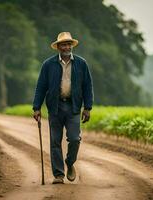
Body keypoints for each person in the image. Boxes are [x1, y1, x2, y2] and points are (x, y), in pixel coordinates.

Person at [32, 32, 93, 184]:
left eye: (68, 44)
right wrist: (36, 107)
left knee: (74, 139)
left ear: (71, 46)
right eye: (63, 44)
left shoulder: (81, 63)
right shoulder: (48, 64)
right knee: (55, 142)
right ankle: (58, 175)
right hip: (55, 107)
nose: (66, 47)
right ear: (58, 47)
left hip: (73, 106)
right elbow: (41, 86)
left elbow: (87, 86)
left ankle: (70, 162)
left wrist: (88, 107)